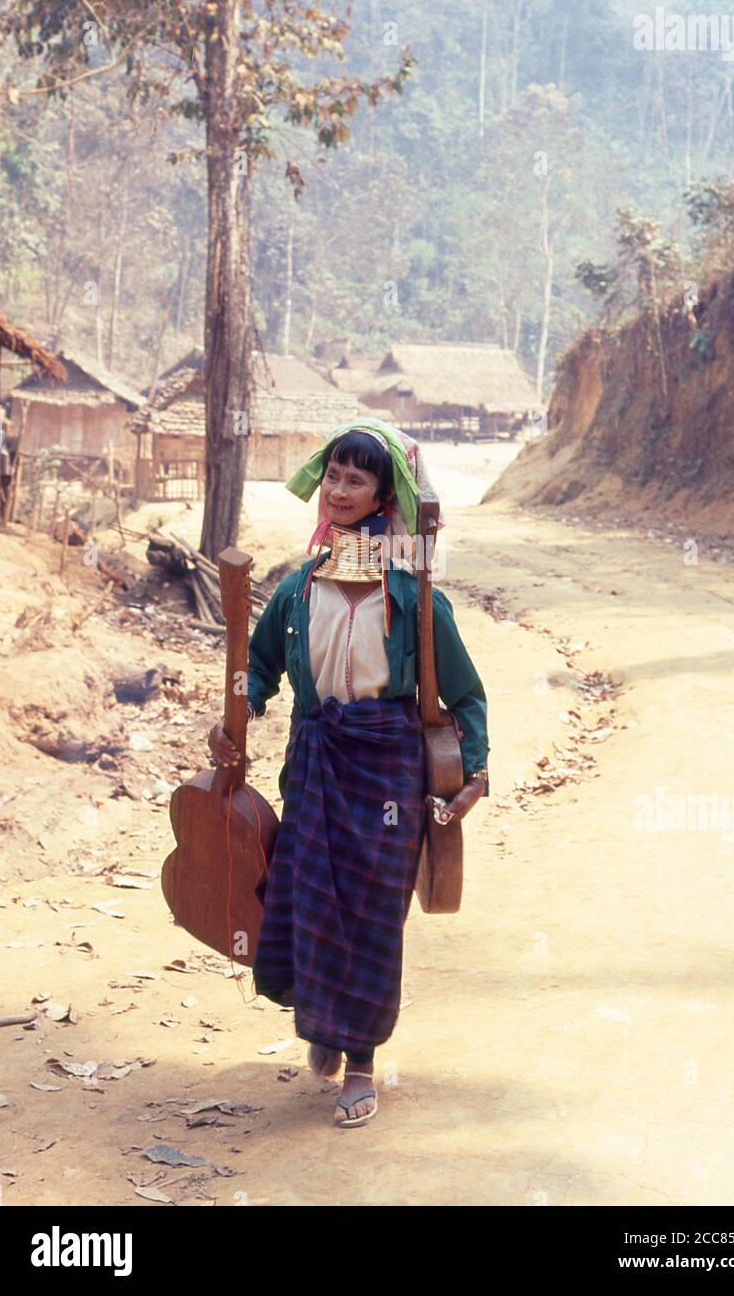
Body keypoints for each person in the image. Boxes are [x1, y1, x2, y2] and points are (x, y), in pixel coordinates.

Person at [207, 418, 489, 1128]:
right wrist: (235, 721)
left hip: (384, 770)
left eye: (355, 479)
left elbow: (466, 694)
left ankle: (360, 1061)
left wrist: (471, 772)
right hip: (315, 761)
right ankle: (327, 1025)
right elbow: (258, 667)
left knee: (370, 915)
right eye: (332, 475)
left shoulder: (416, 600)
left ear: (381, 496)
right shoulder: (300, 589)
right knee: (305, 896)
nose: (337, 489)